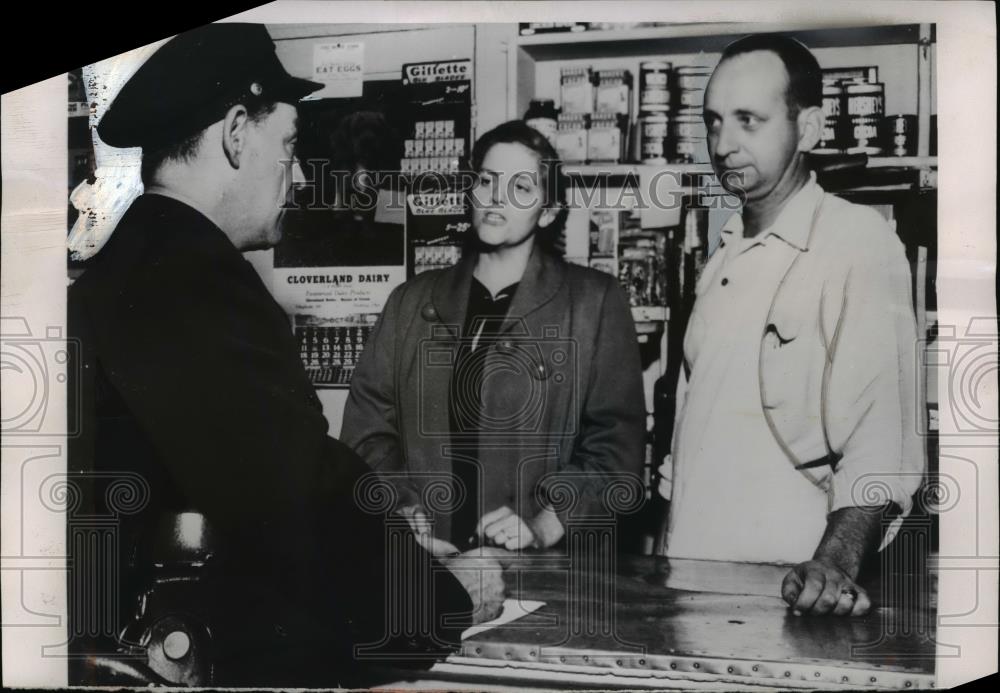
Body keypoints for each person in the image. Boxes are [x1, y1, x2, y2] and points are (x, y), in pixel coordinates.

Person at [68, 23, 502, 686]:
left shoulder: (136, 263)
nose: (301, 178)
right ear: (237, 132)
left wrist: (400, 547)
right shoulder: (191, 279)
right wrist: (442, 595)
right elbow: (291, 493)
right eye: (291, 148)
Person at [658, 34, 925, 616]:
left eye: (748, 121)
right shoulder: (721, 255)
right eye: (713, 121)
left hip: (790, 589)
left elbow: (883, 440)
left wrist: (835, 564)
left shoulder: (857, 243)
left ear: (808, 128)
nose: (723, 144)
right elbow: (688, 439)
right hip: (689, 580)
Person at [342, 120, 646, 553]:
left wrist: (544, 523)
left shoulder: (594, 302)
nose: (496, 198)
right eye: (486, 181)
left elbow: (617, 453)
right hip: (428, 561)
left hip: (537, 574)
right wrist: (402, 508)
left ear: (549, 211)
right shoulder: (410, 303)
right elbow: (367, 435)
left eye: (521, 187)